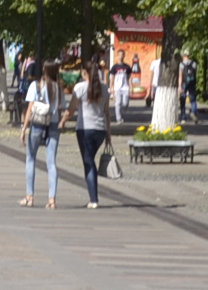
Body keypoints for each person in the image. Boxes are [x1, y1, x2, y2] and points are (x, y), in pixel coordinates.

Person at [20, 59, 63, 208]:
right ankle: (52, 199)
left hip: (38, 123)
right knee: (51, 163)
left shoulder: (36, 85)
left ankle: (29, 197)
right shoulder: (58, 87)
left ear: (44, 69)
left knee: (31, 158)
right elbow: (60, 109)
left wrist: (24, 128)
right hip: (53, 124)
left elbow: (30, 108)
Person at [69, 58, 110, 209]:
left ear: (84, 72)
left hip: (85, 129)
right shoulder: (104, 88)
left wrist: (62, 121)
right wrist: (109, 134)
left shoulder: (80, 87)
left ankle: (93, 199)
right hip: (100, 130)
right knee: (90, 160)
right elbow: (107, 113)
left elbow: (71, 109)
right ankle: (93, 197)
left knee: (89, 162)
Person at [110, 58, 132, 126]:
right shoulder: (115, 67)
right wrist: (111, 87)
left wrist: (131, 86)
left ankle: (121, 112)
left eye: (122, 55)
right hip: (117, 88)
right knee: (118, 103)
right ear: (118, 56)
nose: (121, 56)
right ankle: (118, 119)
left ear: (124, 56)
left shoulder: (127, 66)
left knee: (125, 103)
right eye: (119, 55)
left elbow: (129, 77)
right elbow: (112, 77)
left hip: (125, 87)